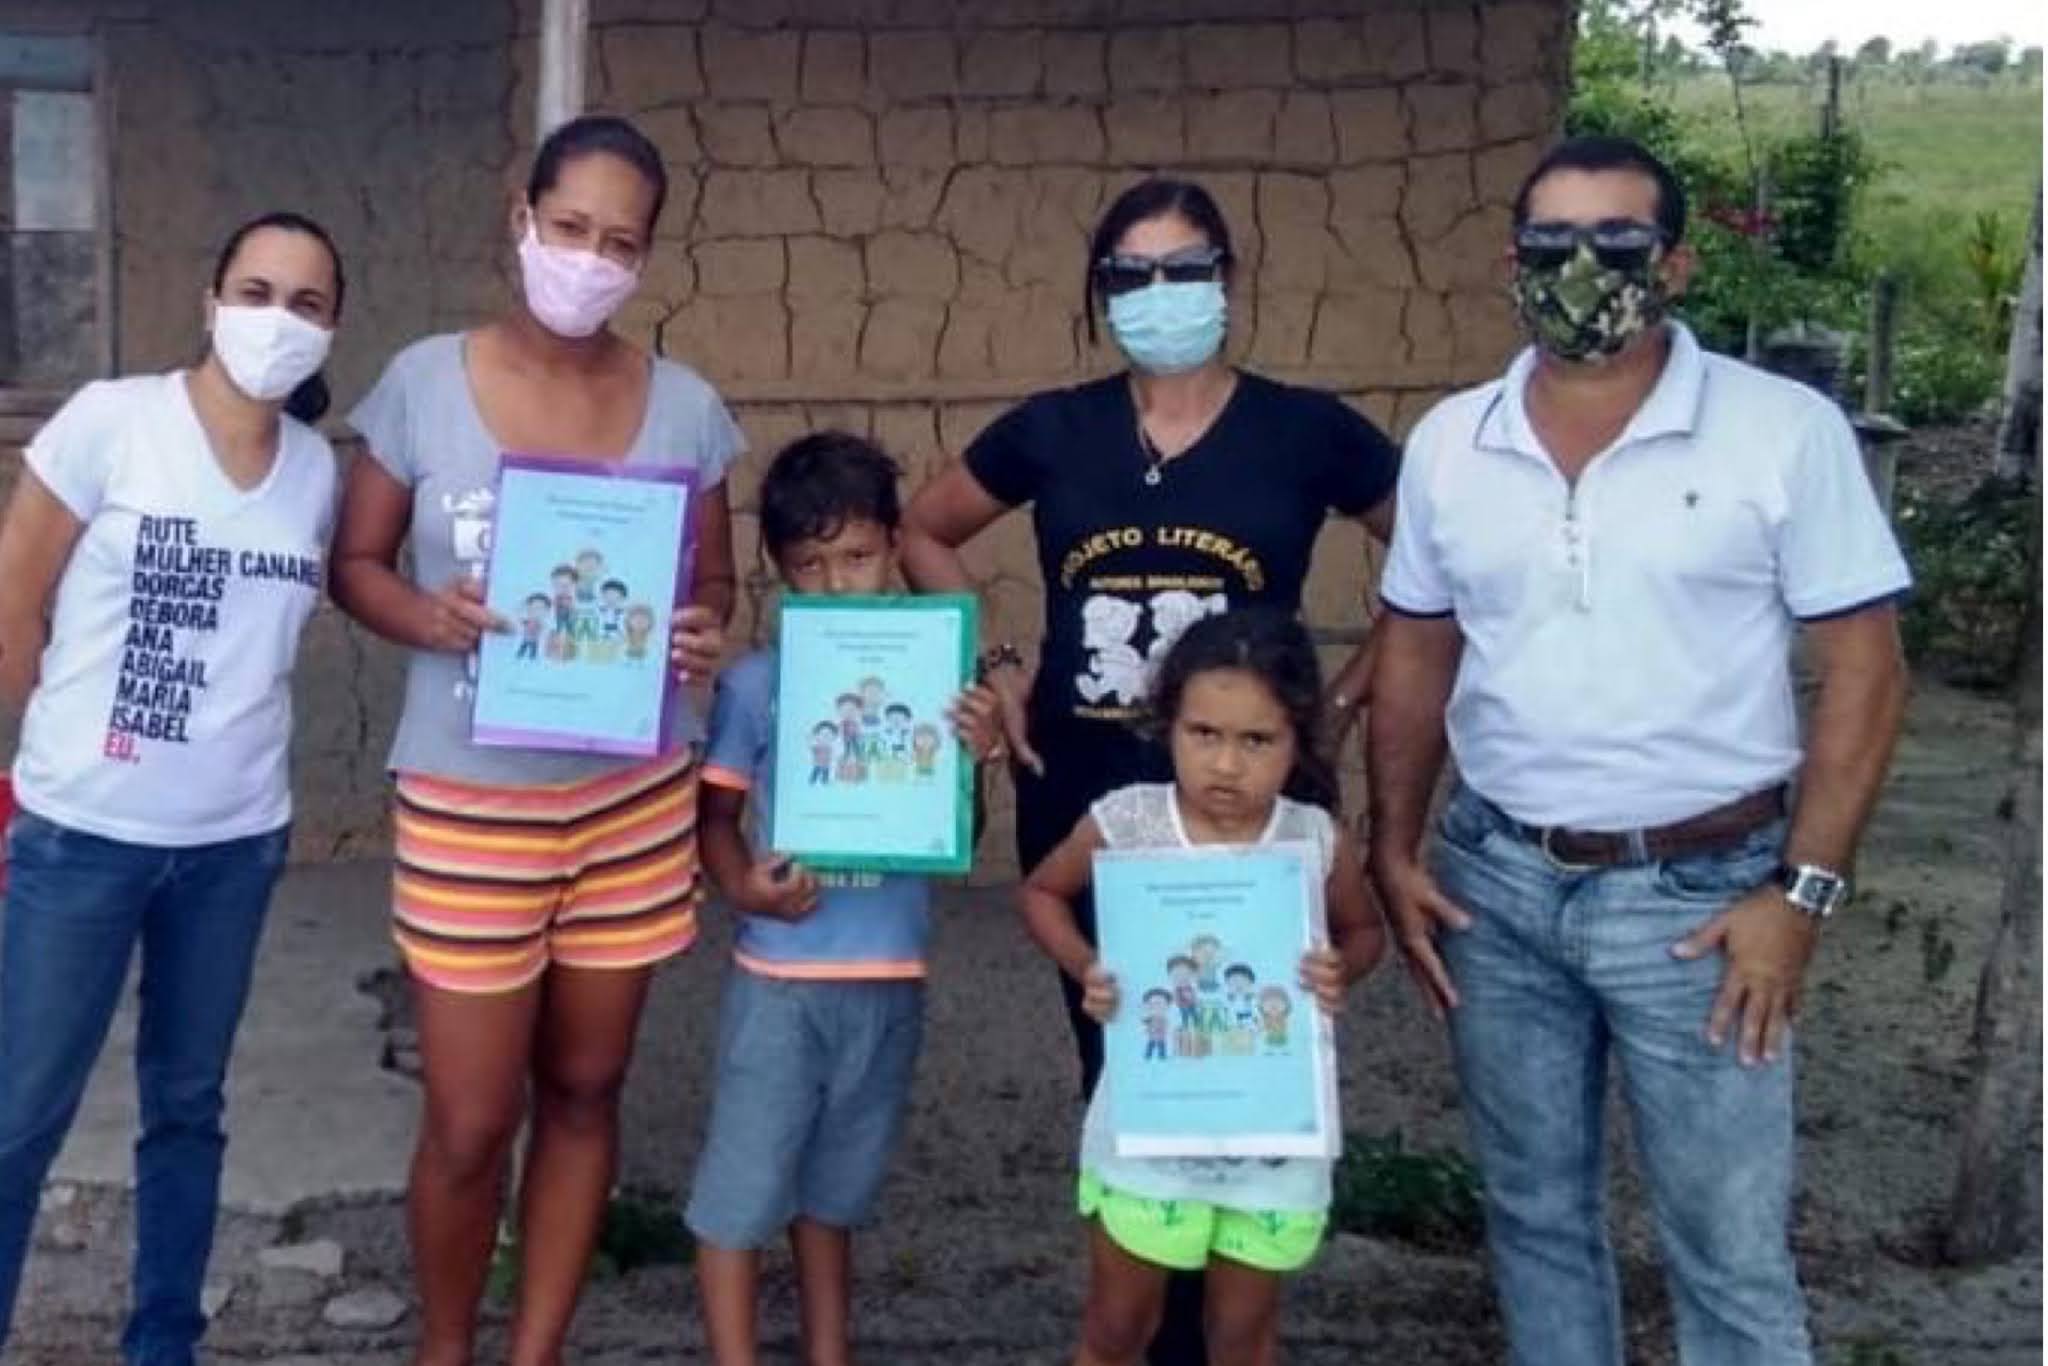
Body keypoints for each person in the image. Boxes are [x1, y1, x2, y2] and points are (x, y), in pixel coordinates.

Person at [1367, 135, 1912, 1366]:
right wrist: (1390, 846)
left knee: (1726, 1250)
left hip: (1703, 901)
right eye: (1549, 243)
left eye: (1614, 243)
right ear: (1510, 261)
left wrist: (1800, 895)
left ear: (1672, 263)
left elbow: (1868, 674)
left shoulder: (1778, 432)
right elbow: (1414, 648)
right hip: (1494, 883)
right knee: (1532, 1219)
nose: (1579, 269)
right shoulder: (1451, 440)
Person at [900, 176, 1400, 1363]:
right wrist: (997, 658)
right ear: (1100, 290)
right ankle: (1147, 1324)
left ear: (1227, 276)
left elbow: (1439, 559)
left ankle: (1217, 1327)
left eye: (1184, 268)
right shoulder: (1052, 429)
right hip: (1090, 795)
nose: (1158, 292)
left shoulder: (1306, 432)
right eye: (1130, 273)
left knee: (1240, 1065)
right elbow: (924, 528)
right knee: (1123, 1060)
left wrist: (1333, 702)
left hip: (1253, 815)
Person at [328, 114, 742, 1366]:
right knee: (468, 1120)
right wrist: (431, 615)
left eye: (619, 241)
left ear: (646, 255)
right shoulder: (422, 383)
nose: (590, 259)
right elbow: (355, 563)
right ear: (522, 217)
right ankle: (446, 1348)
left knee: (583, 1090)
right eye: (570, 227)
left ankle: (535, 1348)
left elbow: (713, 584)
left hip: (631, 801)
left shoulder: (687, 408)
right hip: (470, 804)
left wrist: (700, 632)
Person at [0, 210, 346, 1365]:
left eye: (306, 304)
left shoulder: (315, 473)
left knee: (188, 1111)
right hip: (82, 836)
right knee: (17, 1121)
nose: (276, 320)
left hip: (232, 848)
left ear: (330, 329)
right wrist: (50, 758)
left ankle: (162, 1343)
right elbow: (15, 596)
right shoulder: (114, 422)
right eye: (256, 292)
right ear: (210, 302)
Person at [685, 432, 1003, 1366]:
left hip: (889, 980)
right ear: (779, 571)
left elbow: (960, 840)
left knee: (835, 1198)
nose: (836, 584)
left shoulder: (941, 680)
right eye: (809, 566)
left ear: (897, 548)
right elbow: (715, 819)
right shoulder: (757, 684)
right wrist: (743, 887)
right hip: (781, 981)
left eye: (858, 557)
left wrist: (976, 756)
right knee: (739, 1198)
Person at [1018, 608, 1383, 1366]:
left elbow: (1364, 931)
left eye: (1257, 740)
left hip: (1270, 1137)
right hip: (1150, 1129)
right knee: (1117, 1329)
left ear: (1297, 739)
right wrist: (1087, 965)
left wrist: (1337, 968)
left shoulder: (1312, 839)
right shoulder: (1130, 823)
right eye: (1204, 733)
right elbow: (1043, 893)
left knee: (1243, 1337)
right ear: (1169, 726)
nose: (1226, 764)